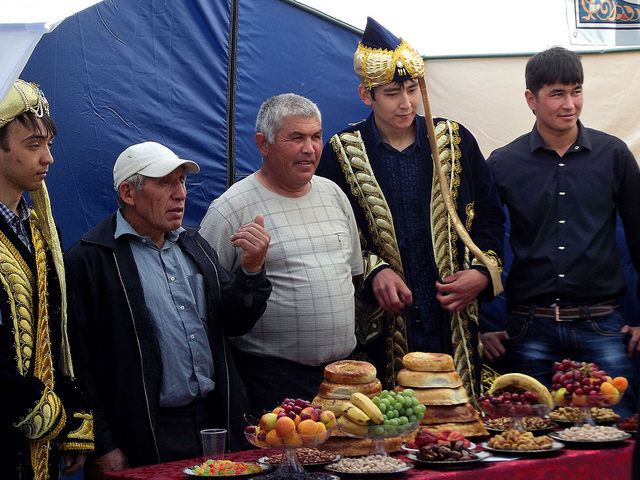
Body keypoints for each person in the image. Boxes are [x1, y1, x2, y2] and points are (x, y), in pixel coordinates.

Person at [316, 17, 505, 395]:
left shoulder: (454, 139)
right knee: (390, 425)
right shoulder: (341, 152)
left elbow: (490, 218)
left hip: (452, 315)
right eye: (392, 92)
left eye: (412, 89)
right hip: (383, 323)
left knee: (455, 424)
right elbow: (329, 235)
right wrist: (373, 271)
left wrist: (483, 274)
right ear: (366, 95)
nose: (406, 103)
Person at [64, 141, 271, 474]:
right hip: (142, 431)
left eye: (182, 181)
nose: (180, 193)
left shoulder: (194, 243)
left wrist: (251, 270)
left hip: (212, 420)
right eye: (165, 183)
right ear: (129, 193)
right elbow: (77, 363)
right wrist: (102, 443)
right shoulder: (90, 259)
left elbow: (235, 322)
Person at [485, 46, 640, 417]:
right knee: (527, 440)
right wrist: (481, 325)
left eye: (576, 90)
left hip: (601, 325)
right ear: (531, 99)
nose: (569, 103)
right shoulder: (503, 163)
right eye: (557, 93)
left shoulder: (614, 154)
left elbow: (639, 237)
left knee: (617, 438)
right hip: (528, 328)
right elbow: (482, 243)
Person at [199, 93, 363, 417]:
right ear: (264, 144)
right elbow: (206, 305)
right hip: (273, 383)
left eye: (316, 136)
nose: (310, 148)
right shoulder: (231, 209)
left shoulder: (334, 194)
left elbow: (353, 276)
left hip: (343, 377)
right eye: (296, 138)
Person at [0, 80, 94, 479]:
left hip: (39, 443)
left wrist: (72, 414)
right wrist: (33, 406)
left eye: (49, 145)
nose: (49, 159)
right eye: (33, 146)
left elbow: (58, 329)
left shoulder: (37, 229)